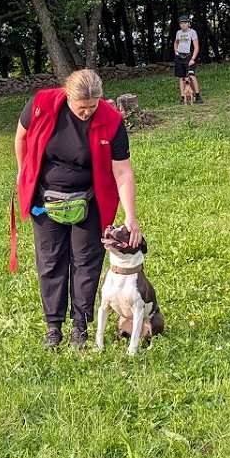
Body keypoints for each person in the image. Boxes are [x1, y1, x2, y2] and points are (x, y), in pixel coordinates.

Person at [15, 69, 141, 349]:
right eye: (81, 107)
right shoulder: (41, 104)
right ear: (67, 97)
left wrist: (130, 217)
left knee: (86, 262)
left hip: (89, 199)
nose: (87, 113)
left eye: (92, 107)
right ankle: (53, 327)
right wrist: (24, 172)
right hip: (46, 198)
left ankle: (80, 327)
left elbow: (122, 172)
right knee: (50, 261)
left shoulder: (111, 120)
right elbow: (21, 137)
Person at [173, 15, 203, 104]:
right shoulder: (178, 33)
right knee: (181, 77)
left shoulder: (192, 32)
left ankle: (197, 96)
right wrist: (176, 51)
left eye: (185, 23)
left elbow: (196, 47)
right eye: (181, 23)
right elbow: (176, 42)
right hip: (179, 57)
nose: (183, 25)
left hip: (189, 56)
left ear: (189, 23)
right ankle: (183, 97)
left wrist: (193, 58)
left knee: (191, 76)